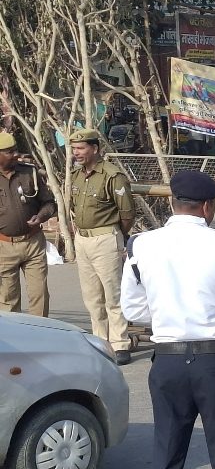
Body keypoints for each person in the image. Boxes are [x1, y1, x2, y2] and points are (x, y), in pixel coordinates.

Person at [120, 170, 215, 469]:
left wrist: (164, 318)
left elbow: (133, 309)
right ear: (208, 207)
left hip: (168, 359)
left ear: (173, 204)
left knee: (168, 451)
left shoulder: (141, 244)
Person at [68, 128, 135, 365]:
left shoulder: (112, 175)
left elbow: (127, 212)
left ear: (95, 149)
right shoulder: (77, 175)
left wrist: (118, 235)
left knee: (113, 294)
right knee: (92, 296)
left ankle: (120, 344)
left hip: (106, 238)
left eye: (81, 148)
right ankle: (100, 342)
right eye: (74, 149)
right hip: (83, 240)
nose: (76, 153)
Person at [0, 132, 56, 317]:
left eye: (15, 150)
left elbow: (49, 203)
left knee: (39, 295)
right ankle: (13, 340)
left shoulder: (29, 172)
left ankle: (40, 337)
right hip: (4, 246)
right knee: (8, 299)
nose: (15, 154)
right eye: (9, 152)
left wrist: (41, 217)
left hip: (33, 243)